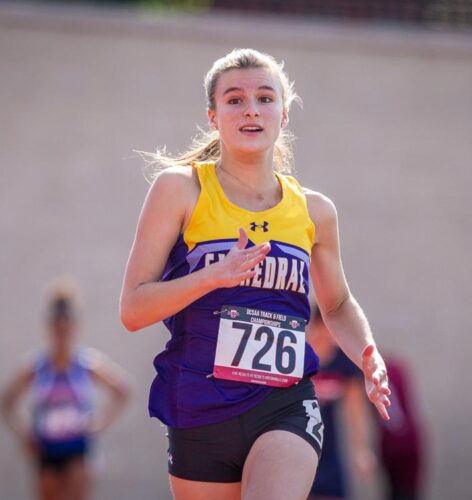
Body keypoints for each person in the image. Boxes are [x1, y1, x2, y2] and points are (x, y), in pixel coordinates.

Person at [120, 48, 391, 500]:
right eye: (234, 99)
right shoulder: (180, 189)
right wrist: (210, 277)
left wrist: (367, 352)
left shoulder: (314, 210)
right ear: (213, 116)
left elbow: (338, 304)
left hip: (284, 403)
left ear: (283, 115)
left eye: (265, 98)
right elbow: (132, 309)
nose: (251, 108)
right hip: (200, 407)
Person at [1, 277, 130, 500]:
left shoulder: (86, 363)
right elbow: (7, 400)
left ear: (74, 328)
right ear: (49, 328)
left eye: (66, 327)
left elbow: (122, 391)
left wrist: (99, 424)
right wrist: (24, 435)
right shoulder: (37, 366)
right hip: (47, 450)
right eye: (57, 328)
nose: (62, 334)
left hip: (77, 450)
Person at [307, 305, 377, 500]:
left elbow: (355, 410)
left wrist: (362, 449)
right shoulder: (296, 354)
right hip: (297, 443)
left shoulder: (342, 361)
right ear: (316, 325)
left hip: (329, 450)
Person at [375, 355, 424, 500]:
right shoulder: (396, 367)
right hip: (409, 438)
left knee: (400, 492)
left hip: (395, 441)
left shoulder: (379, 372)